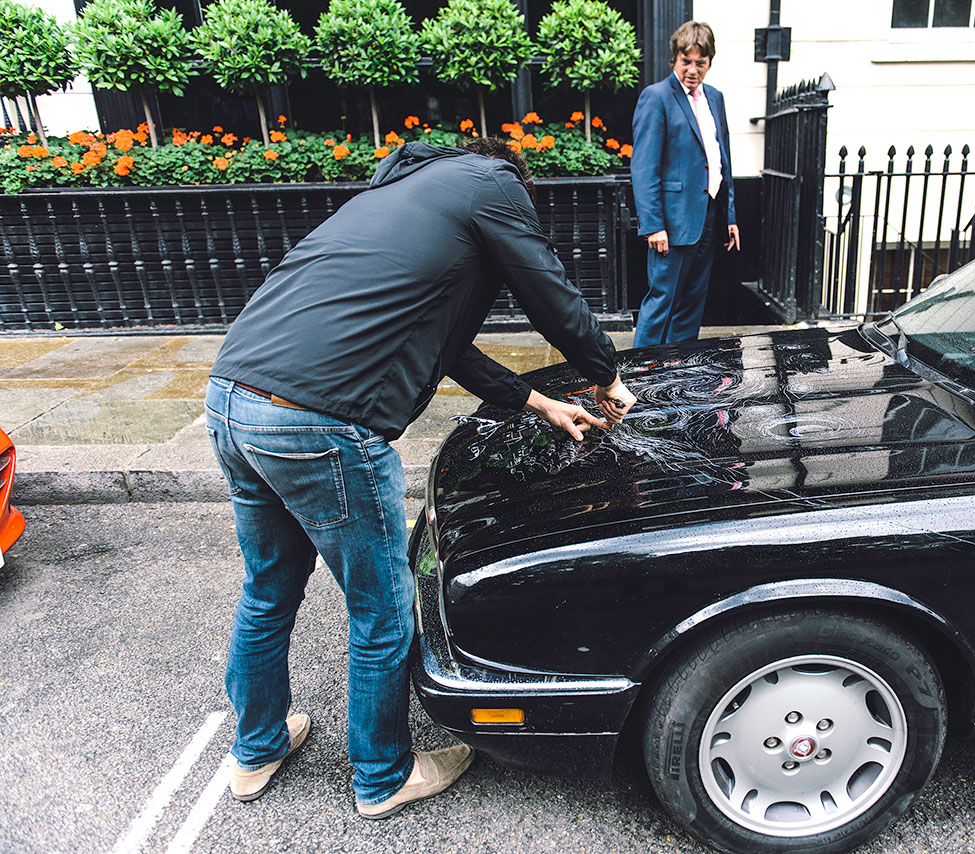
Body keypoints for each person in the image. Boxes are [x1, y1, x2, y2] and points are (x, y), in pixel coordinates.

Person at [203, 137, 636, 819]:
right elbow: (547, 290)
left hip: (234, 396)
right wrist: (605, 373)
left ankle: (255, 751)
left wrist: (541, 401)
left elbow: (447, 346)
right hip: (321, 422)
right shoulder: (493, 183)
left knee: (268, 589)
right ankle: (381, 776)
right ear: (508, 173)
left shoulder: (401, 196)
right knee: (379, 608)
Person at [630, 20, 740, 348]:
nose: (692, 70)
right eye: (685, 61)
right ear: (674, 59)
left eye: (700, 63)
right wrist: (653, 226)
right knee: (662, 301)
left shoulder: (715, 98)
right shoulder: (657, 97)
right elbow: (644, 167)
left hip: (709, 213)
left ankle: (679, 370)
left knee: (693, 302)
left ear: (709, 63)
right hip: (673, 220)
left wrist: (730, 216)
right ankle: (638, 376)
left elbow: (721, 159)